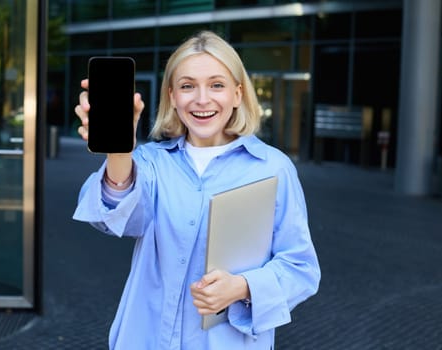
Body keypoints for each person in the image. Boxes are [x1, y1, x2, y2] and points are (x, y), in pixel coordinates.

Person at [73, 30, 320, 350]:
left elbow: (301, 269)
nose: (202, 99)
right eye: (188, 86)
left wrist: (243, 286)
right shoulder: (150, 162)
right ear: (172, 97)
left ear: (237, 94)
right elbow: (114, 220)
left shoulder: (273, 168)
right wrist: (120, 150)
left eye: (216, 85)